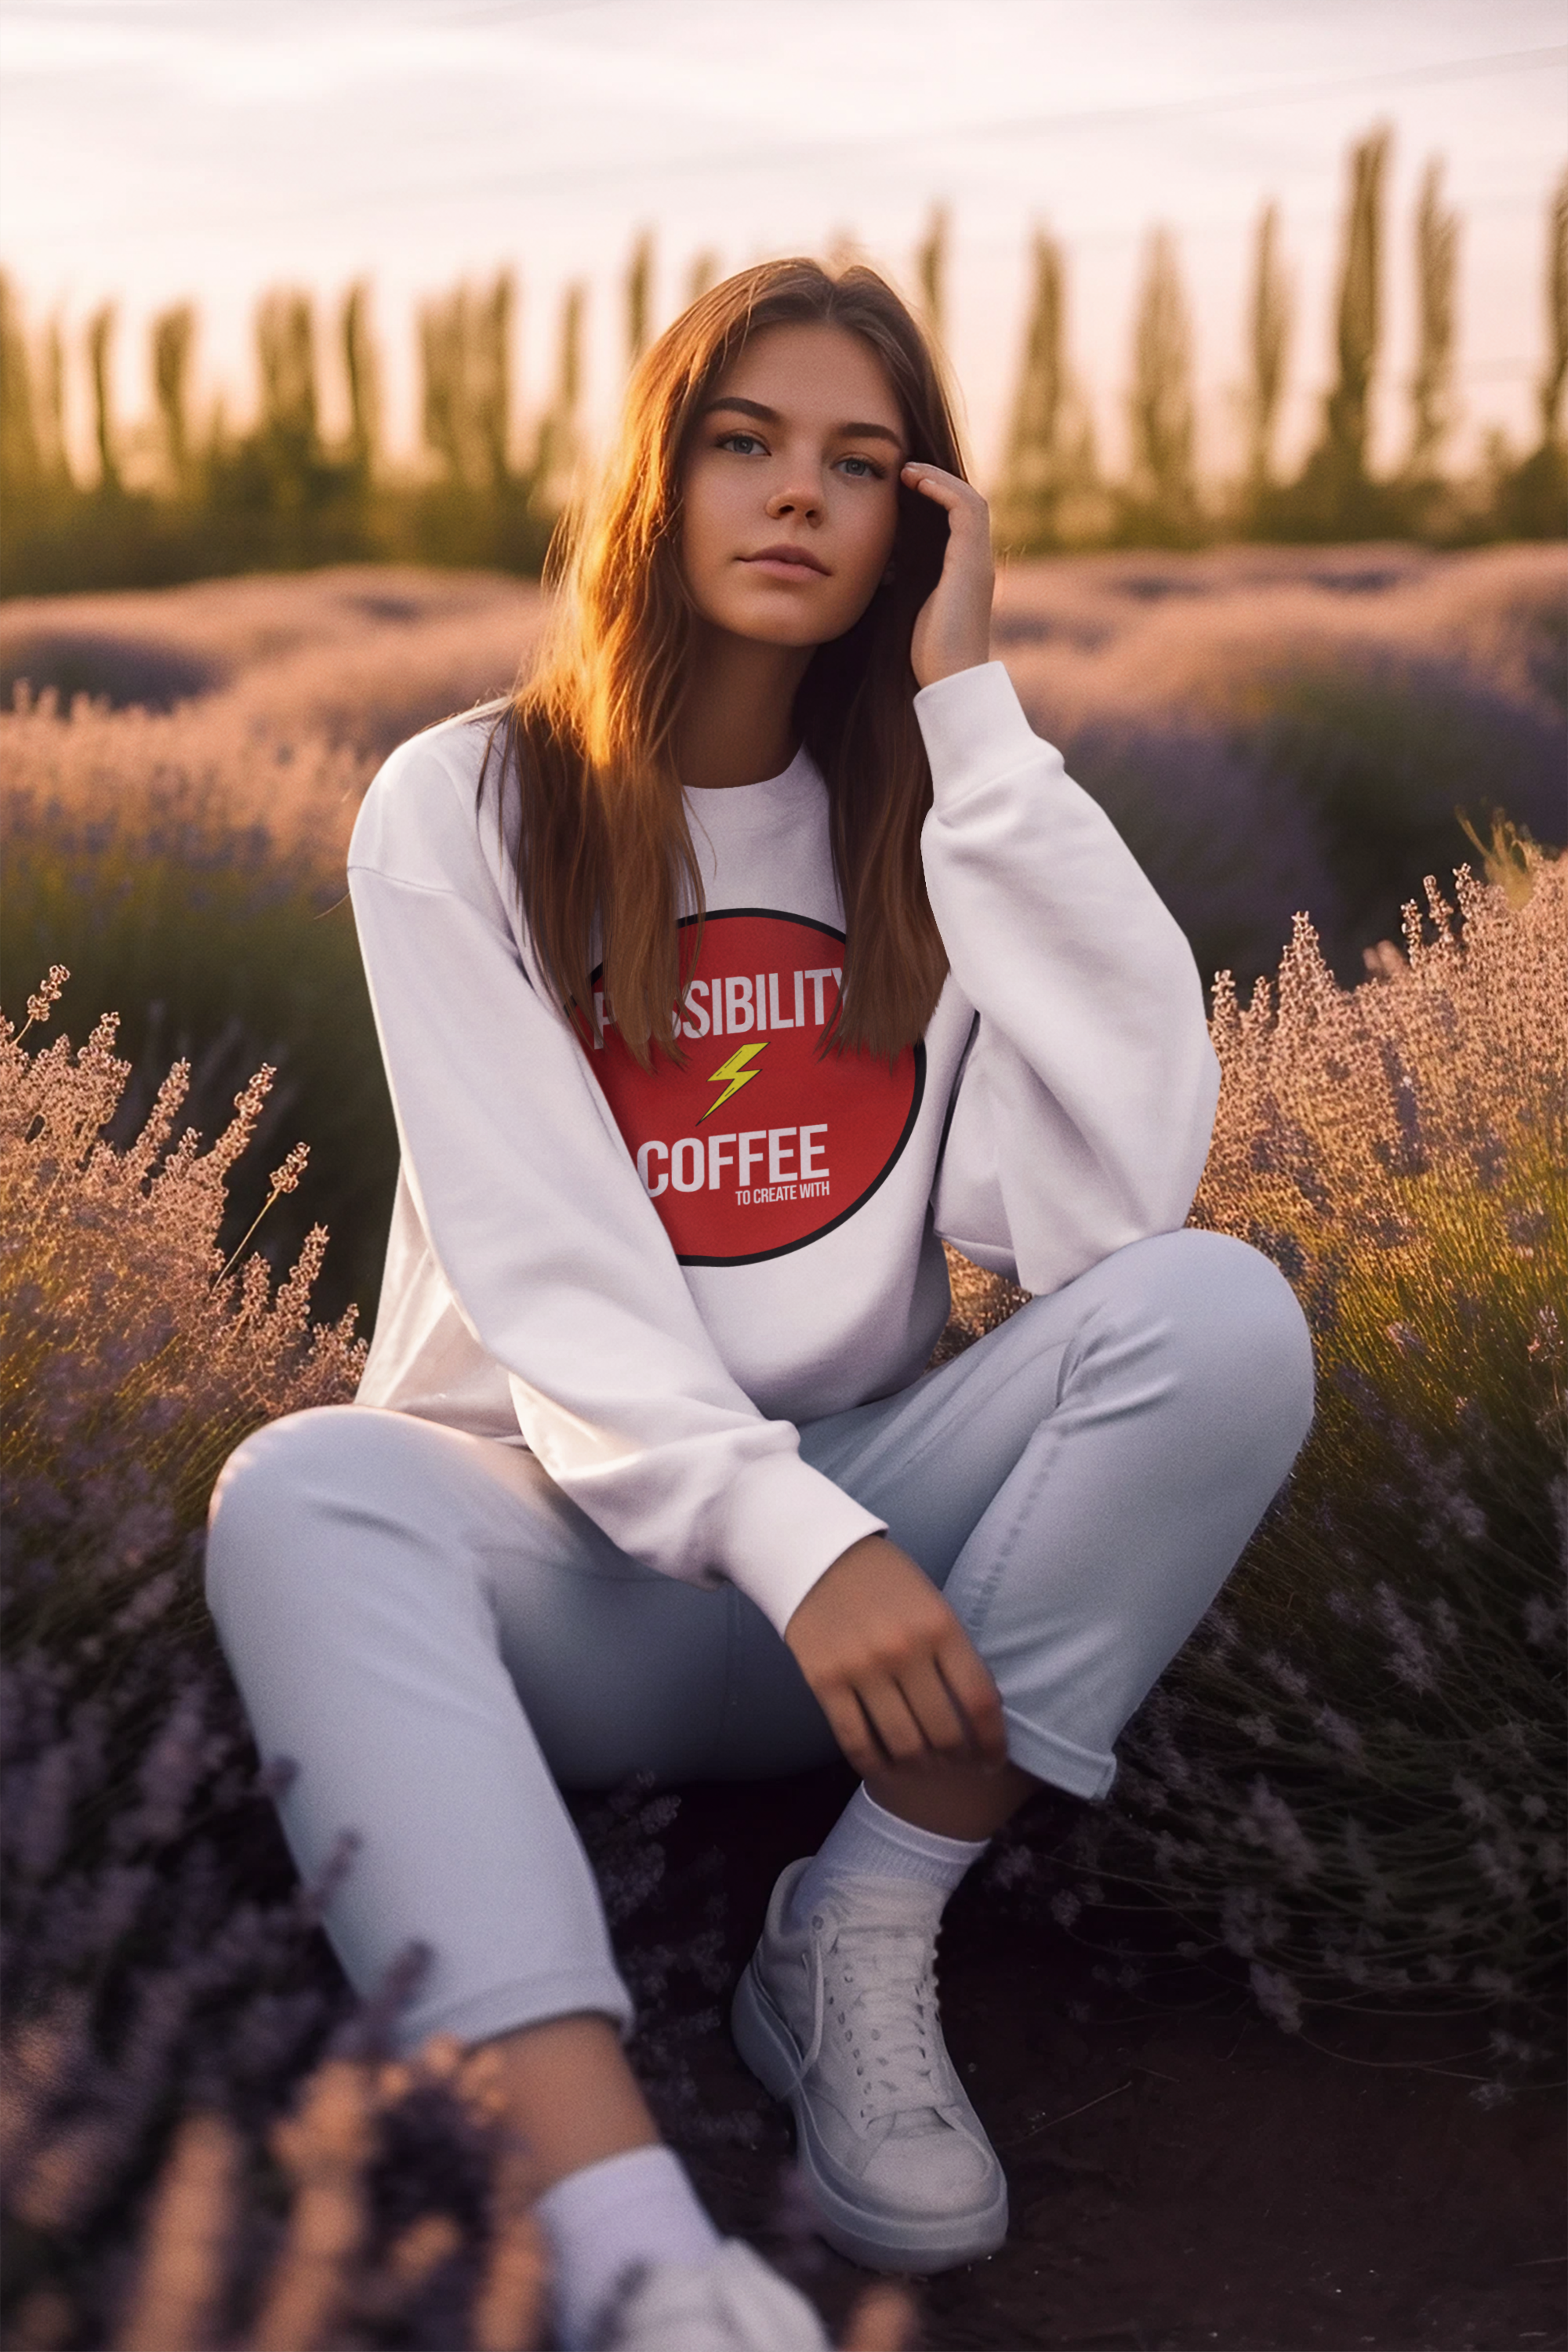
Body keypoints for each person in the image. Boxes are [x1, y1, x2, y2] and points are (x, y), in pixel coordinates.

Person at [205, 258, 1315, 2352]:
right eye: (746, 442)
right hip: (574, 1565)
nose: (797, 497)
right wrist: (784, 1538)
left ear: (926, 519)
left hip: (882, 1569)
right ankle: (632, 2250)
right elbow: (552, 1272)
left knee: (1223, 1314)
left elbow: (1107, 1203)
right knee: (298, 1498)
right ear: (663, 474)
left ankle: (861, 1929)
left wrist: (972, 724)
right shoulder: (464, 807)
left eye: (862, 463)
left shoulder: (920, 822)